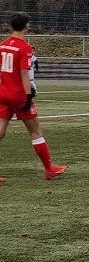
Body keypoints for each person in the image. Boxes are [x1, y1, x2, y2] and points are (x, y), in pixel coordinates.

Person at [0, 12, 67, 181]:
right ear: (26, 26)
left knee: (0, 131)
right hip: (18, 95)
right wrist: (28, 95)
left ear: (11, 26)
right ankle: (49, 169)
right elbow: (24, 73)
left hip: (3, 92)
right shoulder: (25, 48)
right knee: (36, 132)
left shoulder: (2, 45)